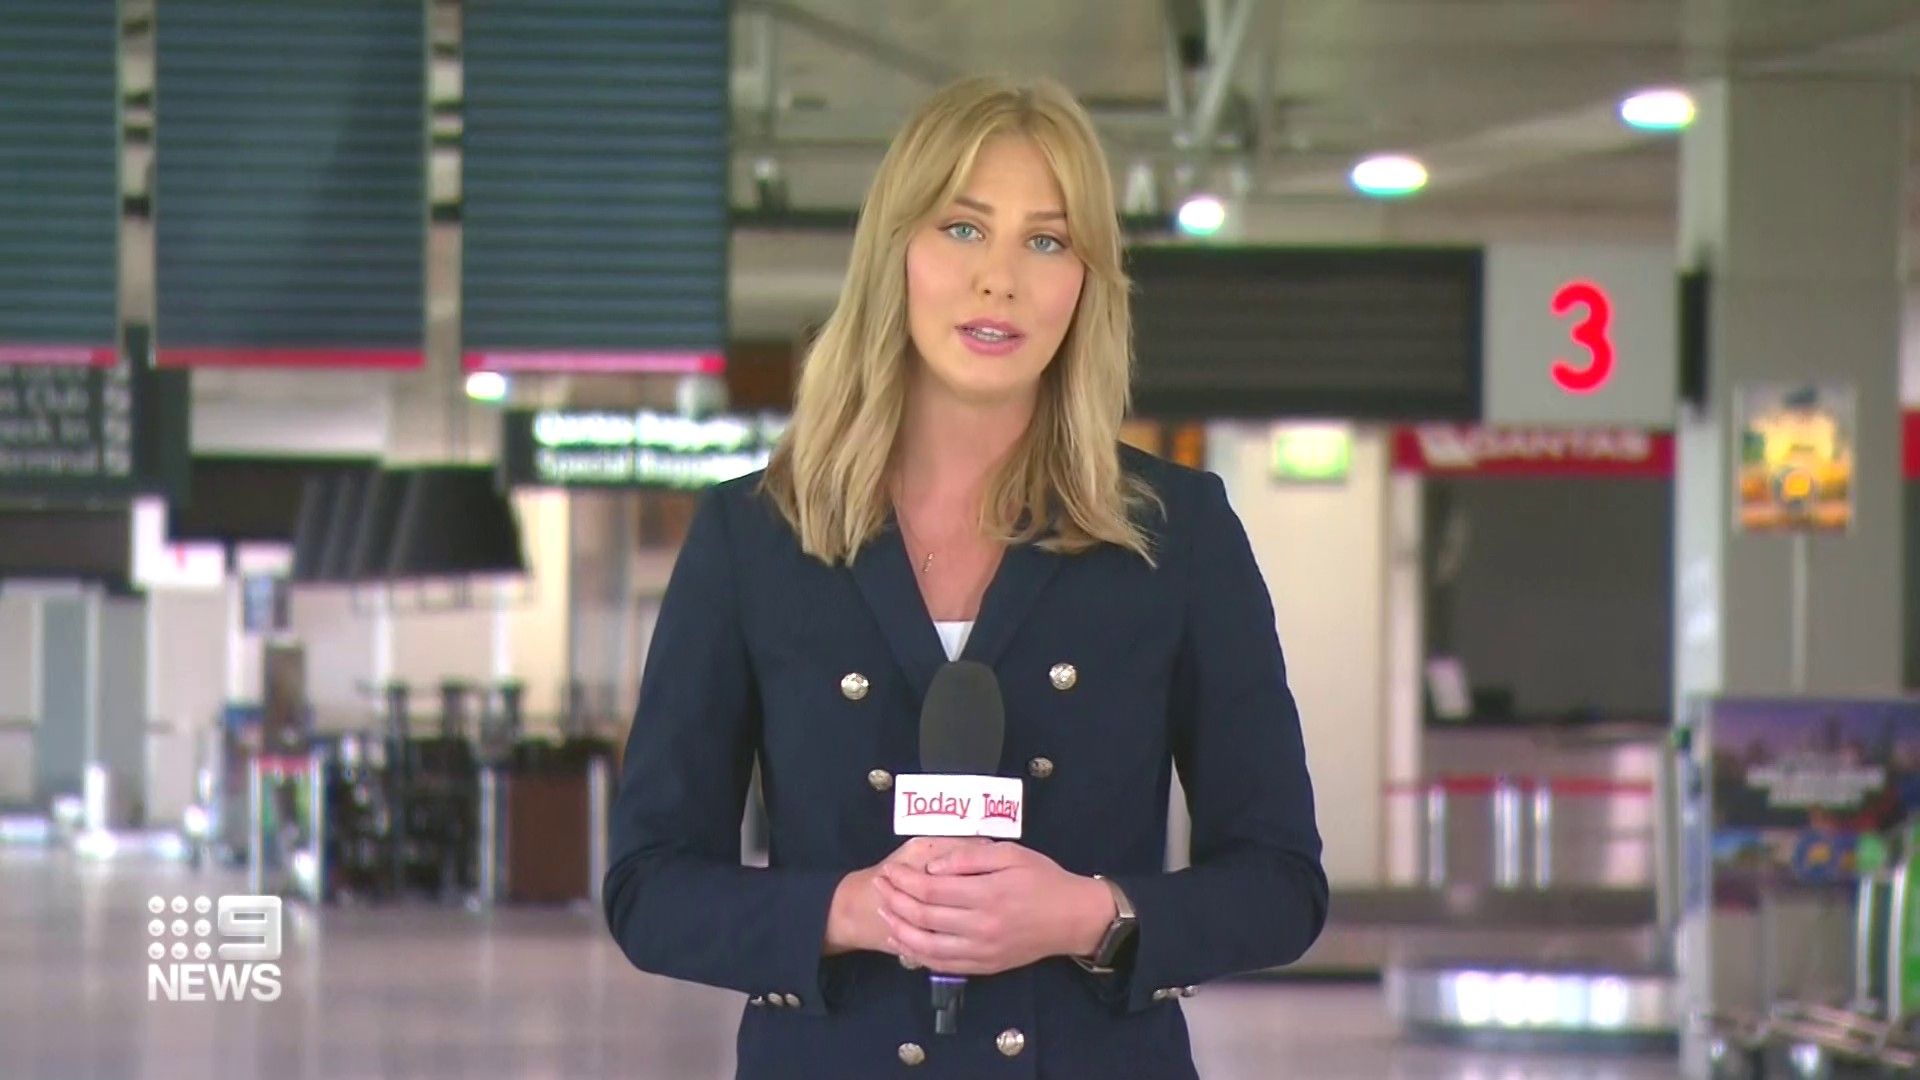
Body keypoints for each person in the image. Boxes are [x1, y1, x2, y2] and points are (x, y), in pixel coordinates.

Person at [603, 74, 1326, 1079]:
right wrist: (849, 910)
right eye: (962, 228)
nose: (1001, 280)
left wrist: (1089, 914)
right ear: (893, 252)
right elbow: (649, 887)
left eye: (1047, 241)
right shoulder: (754, 535)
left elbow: (1282, 884)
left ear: (1088, 281)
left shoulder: (1177, 533)